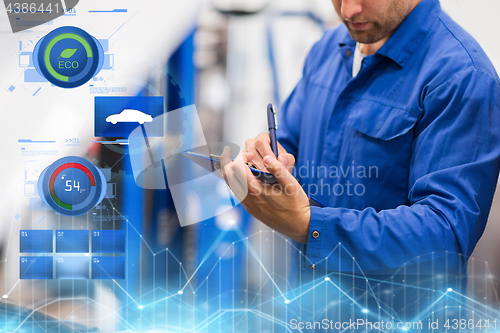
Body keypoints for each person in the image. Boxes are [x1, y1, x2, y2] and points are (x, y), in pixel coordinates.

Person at [220, 0, 500, 328]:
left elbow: (443, 236)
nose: (349, 10)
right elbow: (290, 140)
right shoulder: (329, 49)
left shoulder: (460, 76)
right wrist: (267, 157)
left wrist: (310, 224)